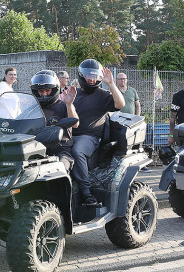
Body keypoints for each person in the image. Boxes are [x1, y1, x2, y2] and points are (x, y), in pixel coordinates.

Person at [71, 59, 125, 206]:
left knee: (77, 151)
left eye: (95, 75)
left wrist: (111, 84)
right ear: (81, 76)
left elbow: (120, 104)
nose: (92, 79)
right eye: (88, 75)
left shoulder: (102, 94)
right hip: (69, 134)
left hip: (89, 137)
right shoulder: (75, 93)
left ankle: (86, 192)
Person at [30, 70, 79, 173]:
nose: (44, 94)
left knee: (60, 169)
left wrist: (69, 104)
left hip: (61, 150)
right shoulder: (32, 108)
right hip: (36, 149)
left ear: (54, 89)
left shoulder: (63, 105)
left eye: (47, 90)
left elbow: (75, 124)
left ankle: (82, 188)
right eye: (41, 91)